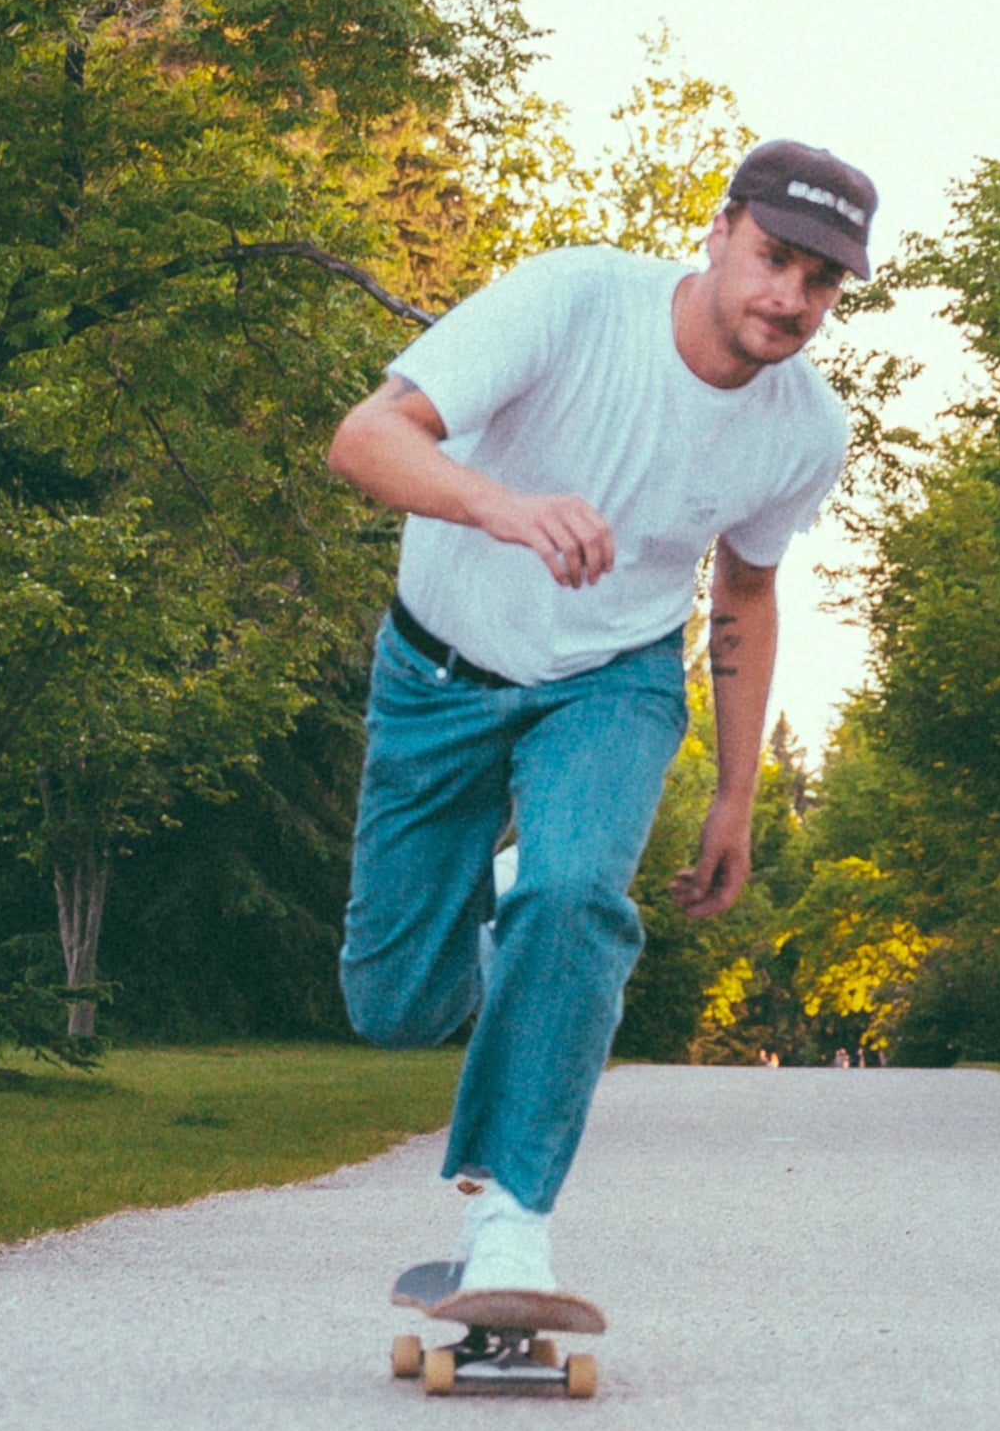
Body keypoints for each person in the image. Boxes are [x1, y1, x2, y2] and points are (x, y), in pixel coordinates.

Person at [325, 136, 875, 1304]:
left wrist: (736, 795)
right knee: (393, 1006)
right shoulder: (572, 299)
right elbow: (363, 437)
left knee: (578, 896)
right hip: (437, 673)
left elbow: (744, 589)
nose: (788, 298)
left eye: (820, 281)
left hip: (610, 684)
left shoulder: (804, 429)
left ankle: (511, 1218)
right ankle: (513, 916)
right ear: (720, 229)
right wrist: (504, 508)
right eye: (773, 257)